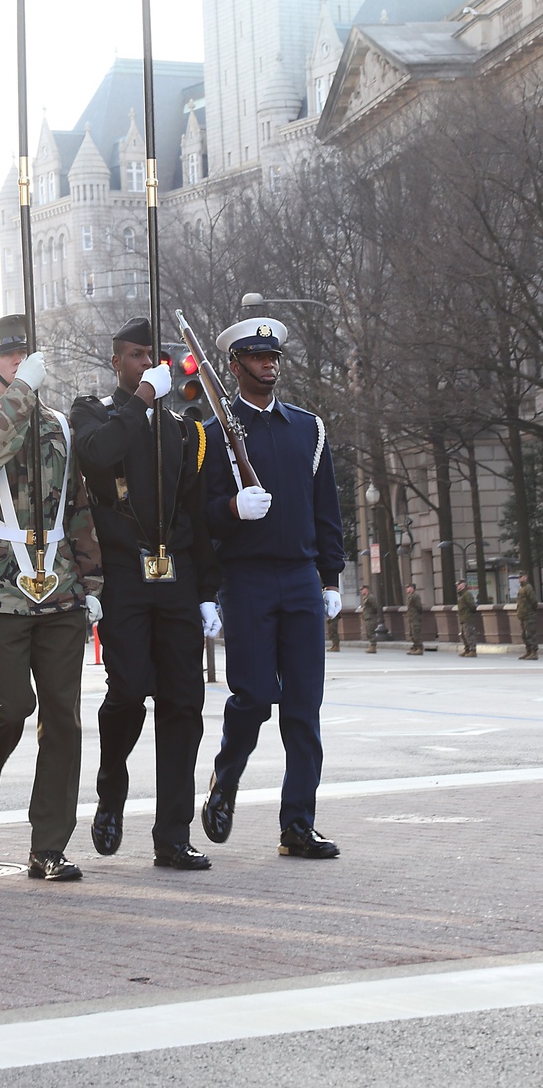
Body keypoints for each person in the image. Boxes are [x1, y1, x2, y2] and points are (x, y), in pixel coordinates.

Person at [0, 315, 102, 883]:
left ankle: (49, 845)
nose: (16, 362)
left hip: (59, 588)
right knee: (11, 707)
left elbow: (78, 508)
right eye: (6, 357)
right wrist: (21, 394)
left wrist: (93, 583)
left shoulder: (59, 423)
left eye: (22, 355)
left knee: (64, 718)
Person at [70, 316, 215, 871]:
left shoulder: (183, 429)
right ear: (116, 363)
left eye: (152, 355)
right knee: (128, 692)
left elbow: (194, 514)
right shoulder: (96, 412)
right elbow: (97, 455)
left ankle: (172, 833)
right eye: (134, 355)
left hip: (174, 576)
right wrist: (144, 398)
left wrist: (208, 588)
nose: (145, 362)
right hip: (126, 576)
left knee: (184, 703)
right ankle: (112, 789)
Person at [199, 316, 344, 860]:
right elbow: (202, 516)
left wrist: (331, 578)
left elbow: (326, 509)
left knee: (303, 708)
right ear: (235, 366)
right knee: (256, 695)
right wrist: (232, 508)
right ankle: (225, 778)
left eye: (274, 356)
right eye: (257, 358)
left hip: (301, 578)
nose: (269, 364)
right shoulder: (213, 435)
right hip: (248, 579)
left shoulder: (308, 428)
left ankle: (298, 825)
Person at [516, 572, 538, 660]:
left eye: (521, 577)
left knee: (530, 634)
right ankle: (528, 651)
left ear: (525, 577)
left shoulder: (528, 588)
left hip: (529, 615)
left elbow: (534, 601)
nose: (519, 579)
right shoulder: (522, 588)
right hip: (523, 616)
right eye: (519, 577)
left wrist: (530, 611)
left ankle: (534, 652)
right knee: (524, 635)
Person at [456, 581, 478, 656]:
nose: (457, 587)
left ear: (462, 586)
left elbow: (472, 605)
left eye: (458, 585)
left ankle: (473, 650)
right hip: (463, 617)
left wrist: (470, 613)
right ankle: (467, 649)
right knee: (463, 634)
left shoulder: (467, 594)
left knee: (469, 634)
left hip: (467, 617)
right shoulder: (461, 595)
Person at [405, 583, 424, 655]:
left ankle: (419, 648)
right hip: (411, 617)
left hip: (415, 617)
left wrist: (418, 615)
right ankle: (415, 647)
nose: (407, 589)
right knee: (412, 633)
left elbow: (419, 606)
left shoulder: (415, 596)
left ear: (412, 588)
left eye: (408, 587)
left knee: (416, 632)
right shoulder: (410, 596)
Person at [359, 585, 379, 653]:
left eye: (362, 590)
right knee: (369, 632)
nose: (361, 592)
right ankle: (372, 645)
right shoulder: (366, 598)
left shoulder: (370, 597)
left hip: (371, 617)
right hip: (368, 617)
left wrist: (372, 614)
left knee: (371, 632)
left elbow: (375, 607)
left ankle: (373, 646)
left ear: (366, 590)